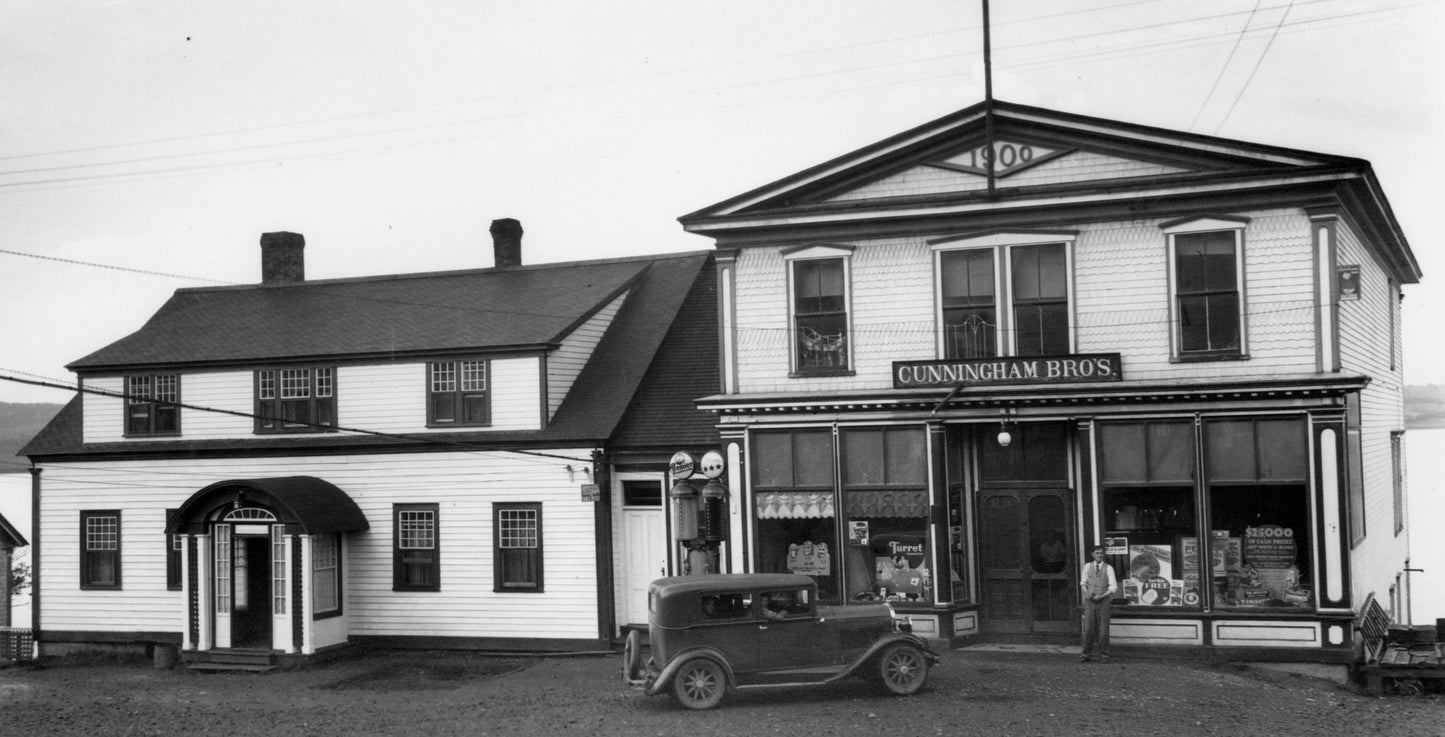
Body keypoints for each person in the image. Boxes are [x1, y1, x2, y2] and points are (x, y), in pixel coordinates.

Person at [1079, 544, 1117, 662]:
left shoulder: (1108, 568)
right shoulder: (1087, 567)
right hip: (1090, 602)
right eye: (1097, 553)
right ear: (1093, 554)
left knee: (1103, 630)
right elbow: (1083, 583)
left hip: (1104, 601)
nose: (1099, 555)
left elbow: (1113, 587)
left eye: (1101, 553)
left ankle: (1105, 655)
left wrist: (1102, 595)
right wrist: (1087, 593)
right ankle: (1085, 654)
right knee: (1088, 629)